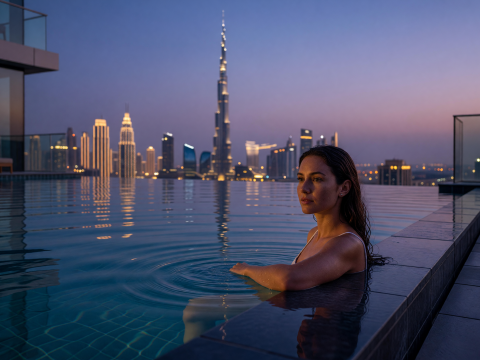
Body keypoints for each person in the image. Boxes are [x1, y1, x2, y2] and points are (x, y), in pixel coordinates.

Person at [230, 145, 384, 291]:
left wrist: (247, 269)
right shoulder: (314, 234)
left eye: (317, 179)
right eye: (300, 179)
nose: (304, 188)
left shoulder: (348, 244)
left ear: (343, 188)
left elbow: (289, 279)